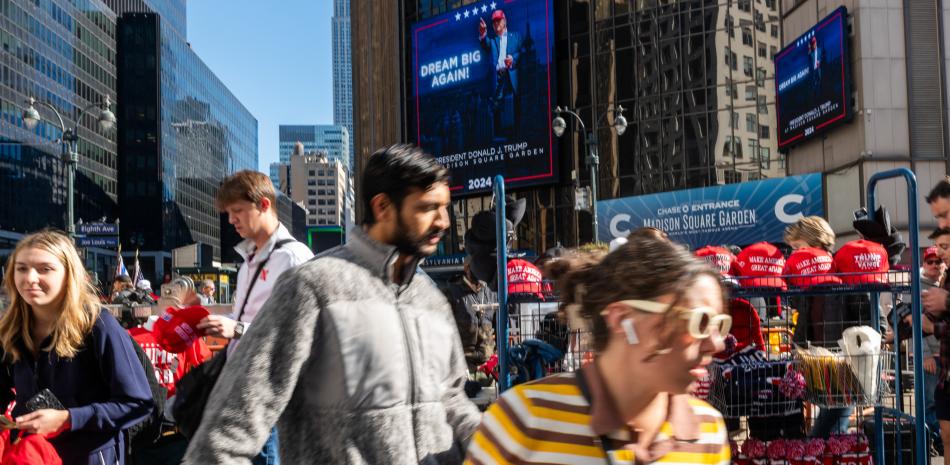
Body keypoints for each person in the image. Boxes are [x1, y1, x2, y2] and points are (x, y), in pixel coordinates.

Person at [182, 144, 480, 464]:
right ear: (383, 207)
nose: (444, 221)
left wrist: (495, 439)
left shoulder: (431, 299)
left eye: (445, 207)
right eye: (427, 208)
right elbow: (227, 433)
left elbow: (451, 399)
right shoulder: (313, 287)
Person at [465, 233, 730, 465]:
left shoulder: (708, 432)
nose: (716, 343)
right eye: (700, 322)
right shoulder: (524, 420)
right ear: (623, 319)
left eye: (721, 324)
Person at [0, 230, 153, 464]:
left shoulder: (99, 326)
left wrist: (69, 418)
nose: (30, 278)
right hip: (31, 455)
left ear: (68, 274)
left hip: (90, 456)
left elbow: (138, 403)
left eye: (45, 269)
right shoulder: (9, 328)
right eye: (21, 268)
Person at [192, 170, 313, 465]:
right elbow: (245, 316)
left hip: (270, 394)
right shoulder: (248, 261)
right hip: (242, 387)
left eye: (237, 211)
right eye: (228, 212)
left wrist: (236, 328)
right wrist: (205, 314)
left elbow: (298, 333)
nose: (231, 219)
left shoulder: (294, 258)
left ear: (263, 205)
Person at [479, 9, 521, 139]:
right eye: (494, 22)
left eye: (499, 20)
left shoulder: (516, 36)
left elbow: (521, 53)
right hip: (498, 79)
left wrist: (512, 59)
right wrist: (483, 34)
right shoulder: (492, 41)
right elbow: (485, 44)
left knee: (513, 108)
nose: (496, 23)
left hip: (510, 77)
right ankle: (499, 137)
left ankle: (516, 135)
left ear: (505, 21)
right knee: (497, 108)